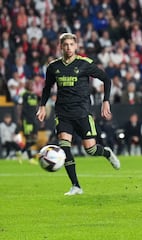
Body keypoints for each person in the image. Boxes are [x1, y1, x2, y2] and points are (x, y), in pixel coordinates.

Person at [36, 33, 120, 196]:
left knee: (91, 150)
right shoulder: (53, 67)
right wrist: (42, 105)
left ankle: (107, 153)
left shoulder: (84, 64)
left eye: (71, 44)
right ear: (61, 46)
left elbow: (106, 79)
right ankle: (76, 186)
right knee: (64, 146)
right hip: (63, 113)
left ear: (76, 46)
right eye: (65, 44)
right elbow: (47, 88)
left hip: (82, 112)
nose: (68, 47)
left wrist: (106, 101)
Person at [17, 80, 39, 164]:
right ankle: (30, 159)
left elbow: (36, 107)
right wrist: (19, 118)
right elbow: (19, 106)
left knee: (35, 139)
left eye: (32, 84)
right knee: (29, 138)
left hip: (34, 119)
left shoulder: (34, 95)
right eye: (30, 84)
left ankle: (20, 152)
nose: (31, 86)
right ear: (26, 85)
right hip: (26, 119)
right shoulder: (24, 94)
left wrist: (38, 116)